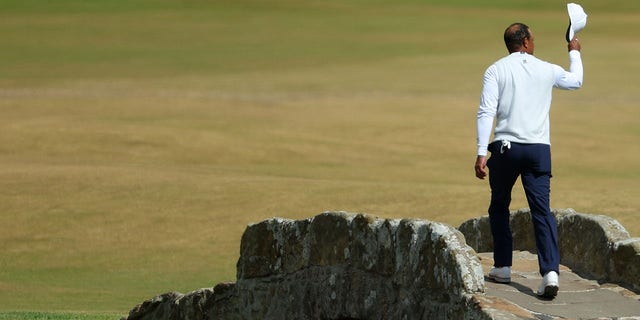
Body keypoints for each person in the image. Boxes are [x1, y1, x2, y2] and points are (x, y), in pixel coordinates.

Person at [474, 22, 583, 299]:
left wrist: (480, 152)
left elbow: (486, 110)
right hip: (538, 151)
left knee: (499, 206)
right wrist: (574, 51)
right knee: (541, 211)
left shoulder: (495, 69)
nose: (534, 42)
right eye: (532, 38)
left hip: (505, 149)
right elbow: (576, 81)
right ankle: (550, 273)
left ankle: (502, 267)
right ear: (524, 42)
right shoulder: (546, 68)